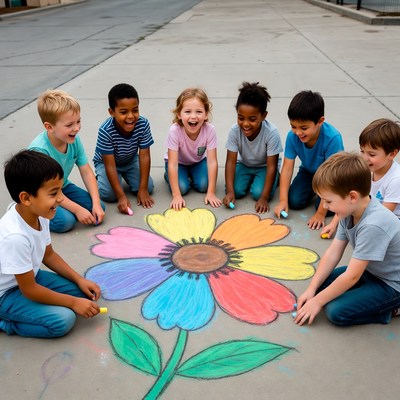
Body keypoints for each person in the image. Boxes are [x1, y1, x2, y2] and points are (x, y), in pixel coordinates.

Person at [0, 150, 101, 338]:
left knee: (82, 294)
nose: (61, 198)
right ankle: (6, 322)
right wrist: (71, 303)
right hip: (6, 294)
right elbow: (29, 290)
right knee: (63, 320)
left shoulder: (40, 213)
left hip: (30, 277)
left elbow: (49, 255)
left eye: (61, 190)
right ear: (26, 198)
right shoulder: (15, 236)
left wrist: (79, 280)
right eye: (54, 193)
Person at [294, 152, 400, 327]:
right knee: (320, 286)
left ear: (352, 197)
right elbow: (333, 253)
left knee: (336, 311)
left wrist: (318, 302)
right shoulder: (348, 211)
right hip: (370, 270)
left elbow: (352, 276)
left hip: (391, 284)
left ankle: (391, 308)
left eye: (328, 201)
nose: (325, 206)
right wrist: (312, 289)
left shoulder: (374, 224)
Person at [29, 89, 105, 233]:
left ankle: (73, 209)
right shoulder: (40, 151)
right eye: (69, 125)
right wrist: (77, 210)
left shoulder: (73, 140)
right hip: (41, 195)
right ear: (49, 127)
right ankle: (31, 214)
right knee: (66, 221)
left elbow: (87, 172)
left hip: (62, 187)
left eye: (78, 121)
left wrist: (96, 203)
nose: (76, 128)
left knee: (99, 207)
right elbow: (49, 189)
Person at [274, 90, 344, 229]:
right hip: (308, 172)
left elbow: (331, 176)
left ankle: (319, 195)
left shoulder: (332, 139)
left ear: (320, 121)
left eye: (304, 128)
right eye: (293, 126)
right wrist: (283, 200)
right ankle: (315, 190)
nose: (298, 132)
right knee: (294, 201)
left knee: (326, 206)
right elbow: (287, 168)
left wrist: (320, 214)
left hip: (333, 178)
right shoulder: (292, 137)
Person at [322, 118, 400, 238]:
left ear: (392, 154)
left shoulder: (395, 179)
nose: (364, 158)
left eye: (372, 154)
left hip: (392, 223)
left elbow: (384, 217)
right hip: (372, 212)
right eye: (362, 151)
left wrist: (361, 230)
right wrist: (334, 224)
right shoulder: (366, 169)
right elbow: (347, 199)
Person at [93, 83, 155, 214]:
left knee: (148, 187)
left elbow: (144, 156)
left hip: (130, 160)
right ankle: (99, 179)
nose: (131, 116)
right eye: (123, 112)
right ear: (111, 112)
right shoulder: (106, 130)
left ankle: (125, 176)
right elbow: (110, 166)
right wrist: (121, 196)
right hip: (106, 163)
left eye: (135, 110)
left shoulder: (143, 124)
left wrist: (142, 189)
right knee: (109, 195)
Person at [223, 82, 282, 213]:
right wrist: (230, 192)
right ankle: (249, 181)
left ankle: (276, 177)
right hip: (244, 164)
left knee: (257, 194)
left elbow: (271, 166)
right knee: (237, 191)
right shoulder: (234, 131)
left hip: (264, 166)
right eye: (241, 117)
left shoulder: (272, 133)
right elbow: (231, 162)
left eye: (252, 119)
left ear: (264, 116)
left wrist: (264, 197)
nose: (245, 124)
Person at [164, 87, 221, 210]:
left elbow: (212, 162)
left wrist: (211, 192)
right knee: (182, 188)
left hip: (198, 161)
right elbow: (173, 164)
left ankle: (190, 174)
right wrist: (176, 195)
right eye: (187, 111)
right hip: (178, 163)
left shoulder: (210, 130)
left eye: (199, 112)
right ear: (179, 114)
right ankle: (169, 175)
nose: (193, 117)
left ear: (206, 114)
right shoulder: (174, 131)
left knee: (203, 186)